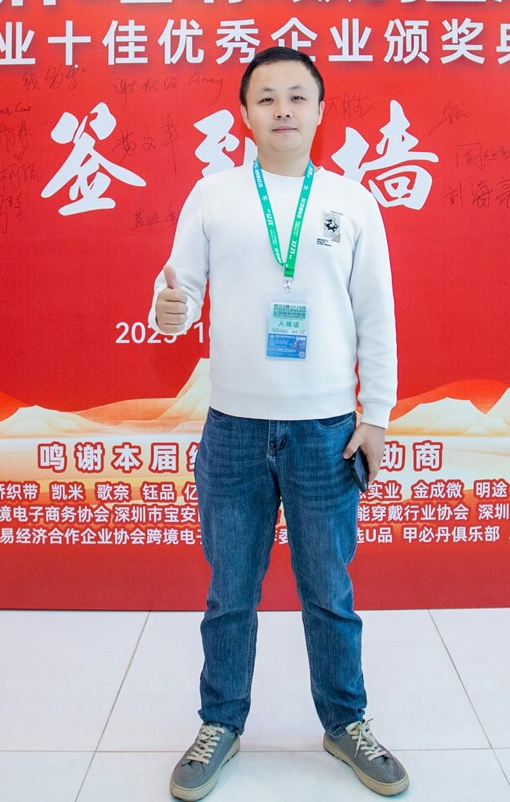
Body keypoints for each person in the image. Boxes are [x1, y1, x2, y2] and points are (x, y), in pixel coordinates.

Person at [149, 46, 408, 800]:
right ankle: (220, 723)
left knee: (329, 590)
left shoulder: (353, 202)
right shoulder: (213, 195)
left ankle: (346, 722)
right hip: (233, 428)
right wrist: (167, 311)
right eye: (266, 98)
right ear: (245, 114)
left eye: (298, 96)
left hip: (326, 429)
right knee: (230, 590)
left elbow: (376, 315)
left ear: (321, 111)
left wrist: (377, 417)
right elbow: (176, 298)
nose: (283, 110)